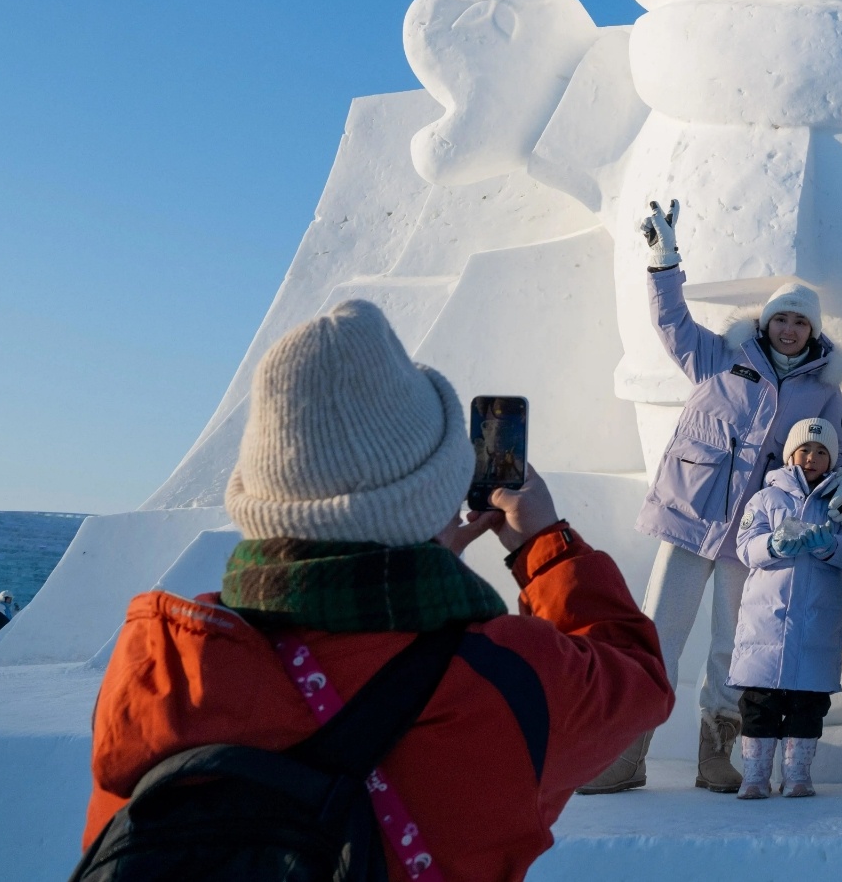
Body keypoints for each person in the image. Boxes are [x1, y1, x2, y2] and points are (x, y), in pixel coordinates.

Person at [81, 299, 672, 880]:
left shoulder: (160, 666)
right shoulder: (506, 681)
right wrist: (542, 544)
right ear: (435, 493)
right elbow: (637, 679)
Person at [596, 197, 842, 794]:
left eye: (801, 323)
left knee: (731, 648)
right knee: (658, 633)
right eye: (782, 319)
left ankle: (716, 756)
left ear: (813, 333)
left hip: (754, 538)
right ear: (765, 322)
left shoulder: (822, 391)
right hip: (692, 515)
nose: (789, 330)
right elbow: (672, 324)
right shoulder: (721, 357)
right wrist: (664, 261)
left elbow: (838, 457)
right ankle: (626, 755)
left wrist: (838, 500)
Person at [727, 417, 842, 799]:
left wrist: (829, 547)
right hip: (765, 628)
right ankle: (755, 775)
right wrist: (773, 545)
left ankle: (798, 774)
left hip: (815, 628)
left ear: (832, 460)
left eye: (822, 452)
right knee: (759, 704)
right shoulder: (767, 498)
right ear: (790, 454)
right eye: (805, 449)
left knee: (808, 705)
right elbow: (745, 546)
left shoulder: (840, 502)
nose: (812, 457)